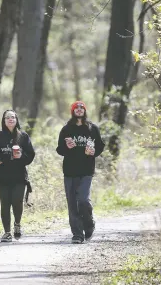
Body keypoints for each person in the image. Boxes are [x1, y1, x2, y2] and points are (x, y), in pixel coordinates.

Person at [56, 101, 105, 244]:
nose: (78, 110)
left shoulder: (92, 128)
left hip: (86, 170)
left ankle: (89, 224)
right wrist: (67, 147)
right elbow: (59, 149)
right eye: (76, 108)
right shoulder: (66, 129)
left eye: (81, 108)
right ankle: (77, 234)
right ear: (72, 111)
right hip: (70, 171)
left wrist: (94, 152)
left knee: (83, 200)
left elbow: (100, 146)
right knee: (72, 203)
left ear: (84, 111)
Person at [0, 109, 35, 242]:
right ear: (4, 121)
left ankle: (17, 224)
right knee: (5, 204)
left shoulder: (23, 137)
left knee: (17, 202)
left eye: (13, 117)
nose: (10, 119)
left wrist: (21, 156)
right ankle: (7, 232)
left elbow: (31, 155)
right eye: (7, 117)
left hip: (19, 177)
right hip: (2, 177)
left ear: (16, 120)